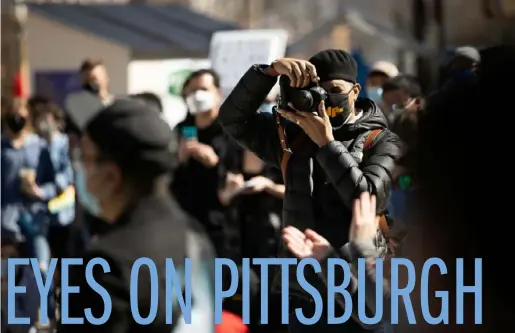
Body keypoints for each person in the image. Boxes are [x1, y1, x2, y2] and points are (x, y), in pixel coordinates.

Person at [218, 49, 402, 333]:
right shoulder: (293, 136)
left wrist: (327, 144)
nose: (326, 97)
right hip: (303, 285)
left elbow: (368, 198)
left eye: (335, 89)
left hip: (355, 284)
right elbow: (233, 120)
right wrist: (267, 74)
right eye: (318, 90)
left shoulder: (380, 140)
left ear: (355, 91)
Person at [58, 98, 215, 333]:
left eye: (85, 159)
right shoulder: (193, 235)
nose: (80, 169)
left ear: (111, 176)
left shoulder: (104, 268)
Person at [171, 69, 230, 256]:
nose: (197, 95)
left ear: (218, 93)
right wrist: (179, 157)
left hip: (220, 223)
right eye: (192, 91)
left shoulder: (230, 129)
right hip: (185, 221)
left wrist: (215, 162)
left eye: (203, 89)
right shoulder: (182, 129)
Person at [1, 98, 55, 273]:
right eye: (13, 116)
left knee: (41, 270)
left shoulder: (39, 147)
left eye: (21, 116)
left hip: (34, 219)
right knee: (9, 275)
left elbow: (53, 183)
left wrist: (40, 192)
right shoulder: (2, 147)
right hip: (6, 224)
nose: (17, 120)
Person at [29, 96, 75, 259]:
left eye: (46, 117)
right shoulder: (36, 144)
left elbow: (67, 176)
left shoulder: (65, 143)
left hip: (63, 212)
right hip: (40, 213)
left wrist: (45, 191)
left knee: (65, 255)